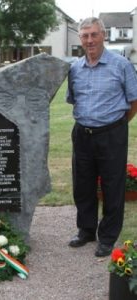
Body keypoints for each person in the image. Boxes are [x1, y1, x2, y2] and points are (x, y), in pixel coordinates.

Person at [67, 17, 137, 257]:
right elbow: (74, 99)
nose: (90, 40)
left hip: (111, 134)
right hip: (82, 134)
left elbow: (134, 101)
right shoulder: (75, 68)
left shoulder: (121, 65)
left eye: (94, 35)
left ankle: (107, 237)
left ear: (103, 36)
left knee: (112, 185)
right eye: (85, 36)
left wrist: (116, 125)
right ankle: (86, 230)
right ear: (80, 39)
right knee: (82, 185)